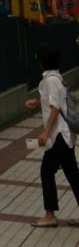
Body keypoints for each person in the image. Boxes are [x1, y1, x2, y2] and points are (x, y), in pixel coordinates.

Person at [25, 42, 79, 227]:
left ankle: (50, 215)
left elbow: (55, 108)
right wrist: (38, 102)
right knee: (73, 175)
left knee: (46, 171)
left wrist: (45, 132)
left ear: (42, 61)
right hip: (64, 136)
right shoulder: (56, 78)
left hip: (59, 135)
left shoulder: (50, 80)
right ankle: (50, 214)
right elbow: (55, 100)